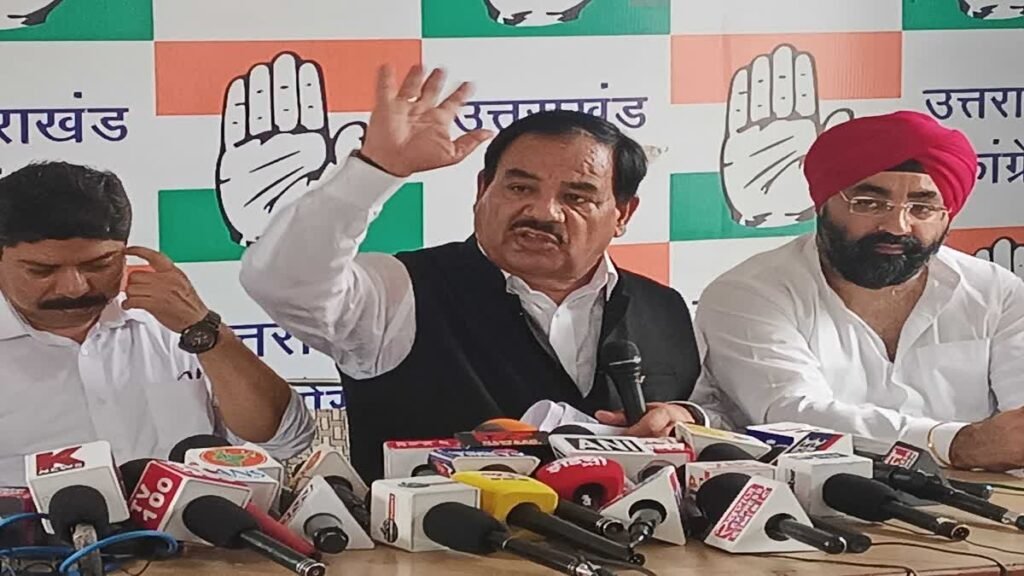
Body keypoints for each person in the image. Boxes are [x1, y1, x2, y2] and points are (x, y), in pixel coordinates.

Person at [241, 65, 702, 480]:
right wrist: (375, 172)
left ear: (623, 213)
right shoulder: (401, 293)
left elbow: (713, 418)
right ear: (483, 190)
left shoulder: (665, 308)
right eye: (519, 188)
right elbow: (282, 282)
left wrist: (689, 420)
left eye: (576, 197)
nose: (543, 212)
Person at [691, 111, 1024, 471]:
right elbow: (793, 418)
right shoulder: (748, 293)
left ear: (947, 216)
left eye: (923, 208)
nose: (897, 226)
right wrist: (955, 445)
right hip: (810, 500)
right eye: (869, 203)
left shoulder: (994, 291)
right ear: (822, 204)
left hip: (982, 500)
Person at [0, 161, 315, 485]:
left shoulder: (172, 324)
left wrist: (204, 329)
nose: (74, 288)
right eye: (42, 271)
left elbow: (286, 441)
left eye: (99, 265)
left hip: (200, 516)